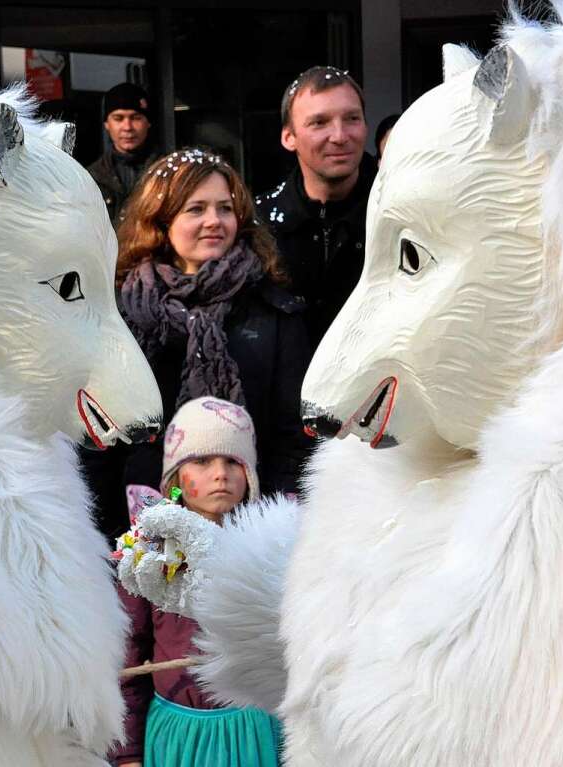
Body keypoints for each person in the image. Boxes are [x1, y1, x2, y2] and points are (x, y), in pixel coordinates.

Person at [83, 147, 310, 544]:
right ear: (162, 219)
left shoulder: (274, 312)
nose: (214, 221)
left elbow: (292, 435)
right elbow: (102, 439)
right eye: (196, 209)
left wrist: (268, 526)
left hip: (252, 536)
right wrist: (120, 536)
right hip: (143, 535)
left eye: (225, 208)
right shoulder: (123, 315)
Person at [110, 396, 282, 767]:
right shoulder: (149, 557)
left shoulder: (269, 549)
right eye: (202, 462)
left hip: (253, 731)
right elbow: (126, 651)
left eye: (232, 462)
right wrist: (128, 754)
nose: (220, 474)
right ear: (175, 477)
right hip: (177, 738)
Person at [255, 66, 377, 346]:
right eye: (319, 122)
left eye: (352, 119)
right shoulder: (258, 226)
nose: (339, 135)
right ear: (289, 137)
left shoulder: (399, 213)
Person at [87, 82, 158, 223]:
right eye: (118, 118)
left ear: (148, 122)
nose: (127, 127)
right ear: (106, 124)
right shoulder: (92, 177)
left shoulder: (168, 172)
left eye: (136, 118)